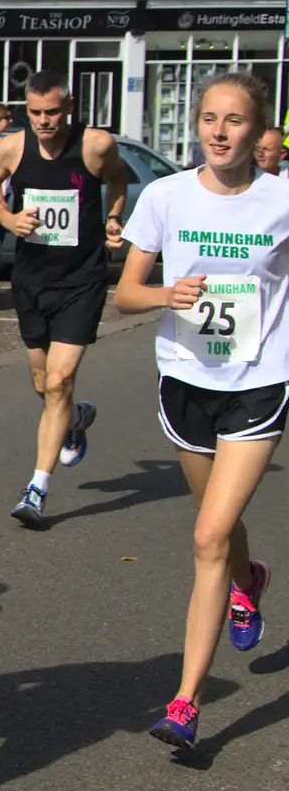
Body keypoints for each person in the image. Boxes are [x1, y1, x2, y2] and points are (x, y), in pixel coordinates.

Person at [114, 72, 289, 751]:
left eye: (235, 120)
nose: (220, 131)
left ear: (258, 130)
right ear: (196, 125)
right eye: (210, 118)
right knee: (217, 523)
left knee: (208, 536)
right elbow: (126, 292)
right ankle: (250, 581)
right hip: (186, 381)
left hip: (260, 382)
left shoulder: (280, 200)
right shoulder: (166, 195)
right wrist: (166, 295)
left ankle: (185, 702)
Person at [0, 70, 129, 529]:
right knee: (44, 385)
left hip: (82, 280)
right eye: (36, 113)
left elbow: (118, 181)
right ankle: (75, 418)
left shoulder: (96, 145)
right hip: (31, 281)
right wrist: (9, 216)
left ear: (70, 106)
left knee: (59, 380)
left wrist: (114, 219)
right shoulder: (12, 148)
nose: (44, 121)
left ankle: (36, 488)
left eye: (53, 112)